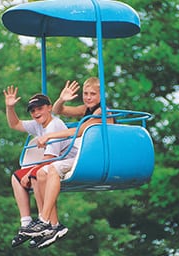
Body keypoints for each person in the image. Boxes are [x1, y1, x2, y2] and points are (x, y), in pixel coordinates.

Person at [23, 77, 114, 248]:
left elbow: (80, 131)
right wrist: (62, 99)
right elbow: (59, 110)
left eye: (93, 94)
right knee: (41, 172)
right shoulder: (87, 109)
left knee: (52, 169)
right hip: (85, 153)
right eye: (86, 94)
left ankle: (44, 219)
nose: (88, 97)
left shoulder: (102, 112)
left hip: (95, 156)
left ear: (101, 95)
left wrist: (50, 135)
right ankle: (52, 225)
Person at [3, 85, 78, 248]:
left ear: (49, 108)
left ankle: (49, 224)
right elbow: (15, 124)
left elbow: (49, 159)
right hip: (53, 162)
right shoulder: (38, 124)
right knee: (16, 177)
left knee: (36, 174)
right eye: (33, 111)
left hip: (68, 160)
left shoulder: (54, 125)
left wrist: (29, 172)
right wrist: (10, 107)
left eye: (40, 109)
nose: (36, 113)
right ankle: (26, 223)